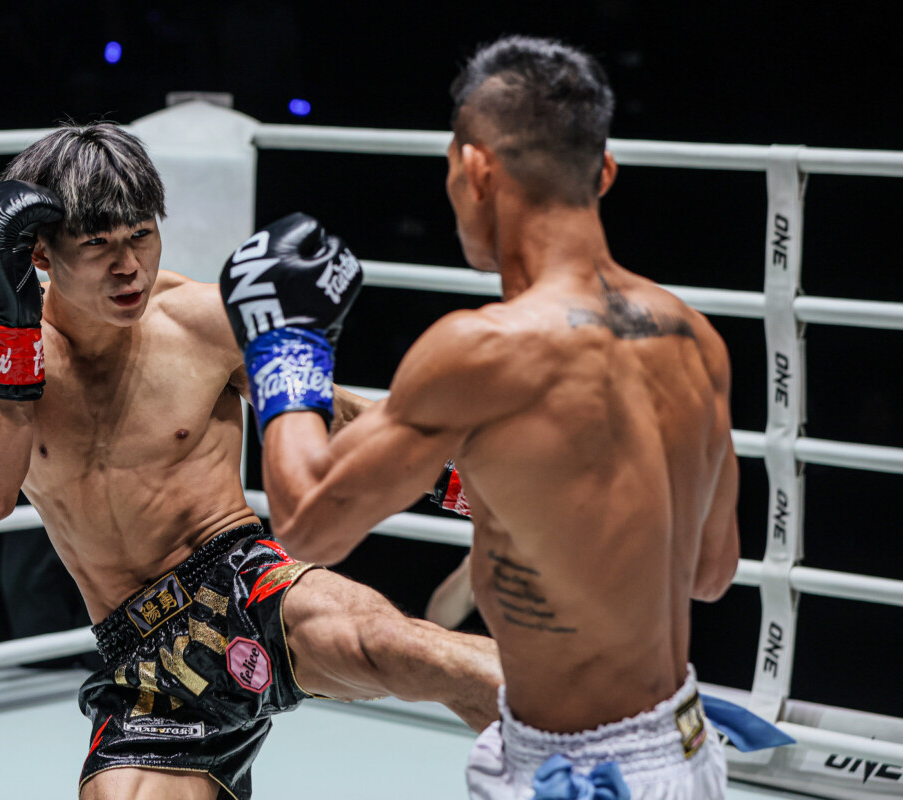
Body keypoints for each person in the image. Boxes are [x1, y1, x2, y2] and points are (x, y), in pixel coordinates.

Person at [220, 36, 742, 799]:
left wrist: (283, 345)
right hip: (682, 748)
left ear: (475, 169)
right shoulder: (695, 338)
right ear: (603, 171)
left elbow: (307, 522)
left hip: (584, 773)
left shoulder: (484, 350)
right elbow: (711, 571)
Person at [0, 121, 503, 800]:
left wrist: (489, 492)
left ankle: (601, 734)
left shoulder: (201, 319)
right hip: (142, 653)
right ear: (39, 252)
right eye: (97, 245)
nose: (128, 266)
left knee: (399, 648)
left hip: (246, 579)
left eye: (141, 235)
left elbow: (338, 415)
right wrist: (12, 331)